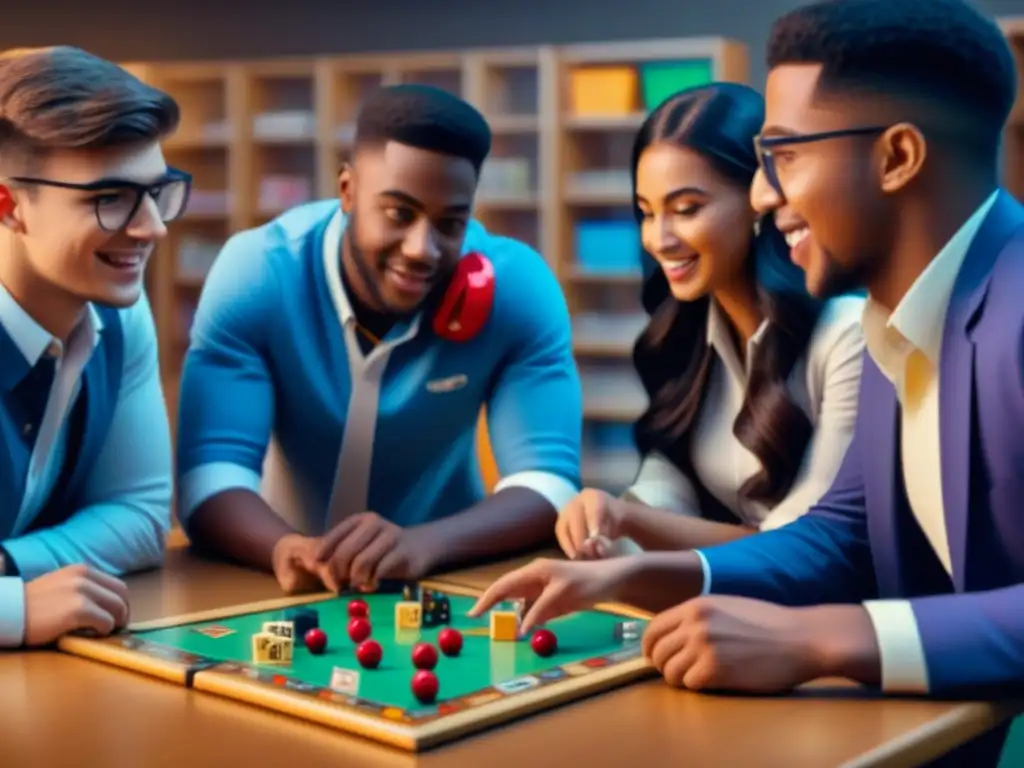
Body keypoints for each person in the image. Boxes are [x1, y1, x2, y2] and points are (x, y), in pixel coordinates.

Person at [471, 0, 1024, 763]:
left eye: (785, 155)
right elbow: (841, 536)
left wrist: (825, 636)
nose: (763, 196)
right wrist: (634, 576)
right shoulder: (896, 319)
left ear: (898, 158)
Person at [176, 84, 581, 595]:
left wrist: (423, 545)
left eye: (450, 223)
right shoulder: (260, 273)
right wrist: (282, 547)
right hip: (271, 580)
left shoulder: (517, 289)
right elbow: (210, 476)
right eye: (399, 213)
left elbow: (549, 484)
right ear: (347, 191)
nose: (422, 249)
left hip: (442, 579)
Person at [555, 83, 864, 560]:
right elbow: (666, 487)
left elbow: (799, 548)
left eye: (686, 210)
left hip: (830, 617)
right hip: (734, 604)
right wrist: (602, 526)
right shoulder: (690, 329)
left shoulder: (847, 334)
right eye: (646, 212)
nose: (659, 239)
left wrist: (633, 521)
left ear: (759, 198)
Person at [0, 47, 183, 648]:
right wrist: (12, 608)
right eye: (110, 198)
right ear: (8, 205)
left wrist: (8, 567)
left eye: (157, 193)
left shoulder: (120, 319)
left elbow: (138, 515)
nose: (152, 226)